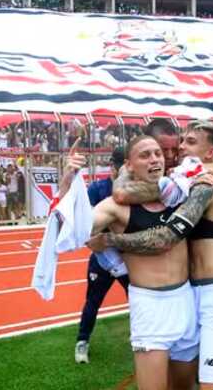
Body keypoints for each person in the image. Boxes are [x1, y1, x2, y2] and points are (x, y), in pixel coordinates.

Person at [97, 120, 213, 390]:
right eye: (182, 140)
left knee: (212, 385)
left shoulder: (205, 184)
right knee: (185, 381)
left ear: (208, 154)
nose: (180, 146)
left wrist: (111, 239)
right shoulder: (187, 178)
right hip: (192, 295)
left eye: (190, 142)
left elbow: (165, 237)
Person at [64, 136, 198, 390]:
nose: (155, 159)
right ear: (128, 165)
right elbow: (71, 230)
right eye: (145, 155)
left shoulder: (179, 192)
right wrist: (67, 180)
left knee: (184, 387)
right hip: (149, 306)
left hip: (186, 301)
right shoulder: (115, 206)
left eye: (157, 153)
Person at [74, 147, 130, 364]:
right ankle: (82, 341)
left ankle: (142, 336)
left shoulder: (136, 189)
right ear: (114, 167)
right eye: (123, 167)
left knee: (138, 300)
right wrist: (92, 243)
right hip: (101, 260)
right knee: (93, 302)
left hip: (128, 257)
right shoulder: (97, 189)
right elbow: (83, 227)